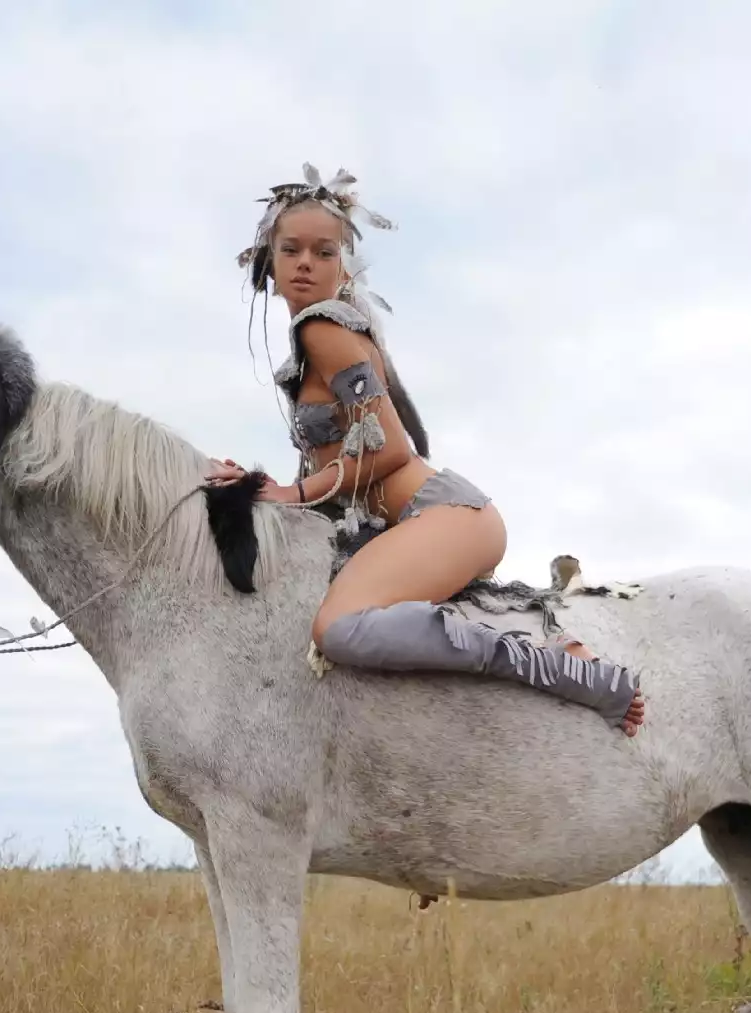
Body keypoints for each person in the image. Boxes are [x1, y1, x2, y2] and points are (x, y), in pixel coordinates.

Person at [205, 165, 645, 735]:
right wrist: (263, 487)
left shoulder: (323, 328)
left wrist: (292, 492)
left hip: (445, 516)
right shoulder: (311, 345)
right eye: (291, 250)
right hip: (424, 524)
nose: (306, 263)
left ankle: (556, 665)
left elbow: (390, 450)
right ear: (270, 260)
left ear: (344, 266)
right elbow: (339, 465)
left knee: (336, 628)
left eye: (324, 251)